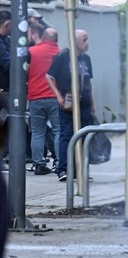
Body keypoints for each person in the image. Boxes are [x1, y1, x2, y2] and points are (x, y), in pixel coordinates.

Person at [46, 30, 94, 183]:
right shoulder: (62, 57)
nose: (87, 43)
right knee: (66, 135)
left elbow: (88, 82)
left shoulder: (86, 59)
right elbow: (49, 76)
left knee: (83, 135)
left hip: (84, 104)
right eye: (84, 40)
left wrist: (92, 102)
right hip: (68, 103)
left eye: (87, 39)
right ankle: (64, 169)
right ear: (75, 41)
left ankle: (80, 169)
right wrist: (58, 96)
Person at [27, 27, 61, 175]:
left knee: (37, 132)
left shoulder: (32, 51)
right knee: (59, 131)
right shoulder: (60, 54)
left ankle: (39, 164)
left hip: (35, 98)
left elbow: (25, 72)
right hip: (55, 98)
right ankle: (60, 163)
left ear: (44, 37)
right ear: (56, 40)